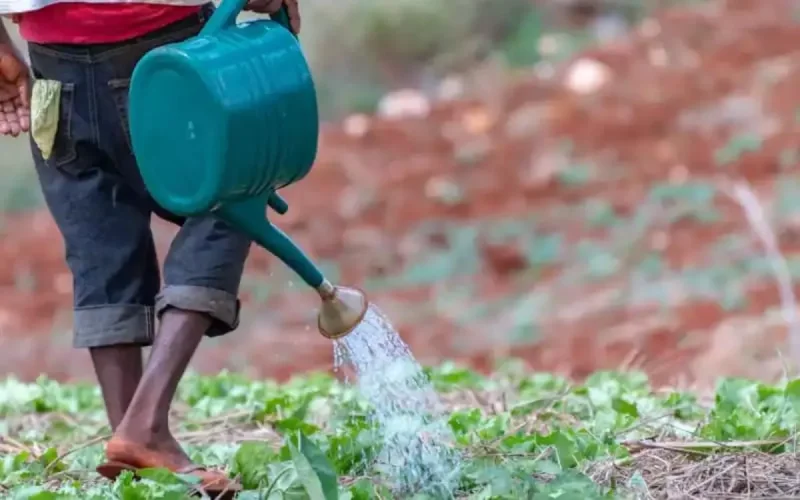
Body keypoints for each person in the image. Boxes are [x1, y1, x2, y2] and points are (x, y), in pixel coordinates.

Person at [0, 0, 300, 494]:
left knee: (100, 244)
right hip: (166, 49)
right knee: (232, 196)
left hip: (54, 68)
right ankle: (145, 427)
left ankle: (133, 449)